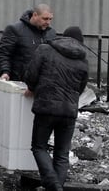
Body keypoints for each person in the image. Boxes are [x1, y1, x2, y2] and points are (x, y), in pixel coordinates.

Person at [23, 26, 89, 191]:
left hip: (46, 108)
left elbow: (31, 75)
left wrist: (32, 88)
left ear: (62, 37)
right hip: (69, 112)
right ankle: (56, 187)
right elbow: (81, 88)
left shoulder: (45, 49)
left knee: (39, 147)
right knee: (62, 153)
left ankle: (53, 186)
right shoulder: (83, 60)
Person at [0, 3, 56, 81]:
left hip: (42, 81)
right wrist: (5, 71)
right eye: (45, 19)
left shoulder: (51, 33)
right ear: (35, 15)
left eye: (50, 19)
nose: (48, 22)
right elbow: (3, 53)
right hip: (19, 80)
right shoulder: (15, 30)